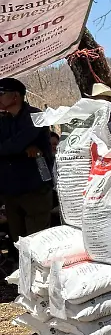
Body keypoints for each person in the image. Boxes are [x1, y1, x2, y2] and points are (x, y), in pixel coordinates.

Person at [0, 77, 55, 240]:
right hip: (11, 191)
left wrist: (17, 148)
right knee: (18, 240)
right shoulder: (4, 120)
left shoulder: (36, 116)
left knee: (37, 240)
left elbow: (14, 145)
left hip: (35, 189)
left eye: (1, 93)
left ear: (15, 96)